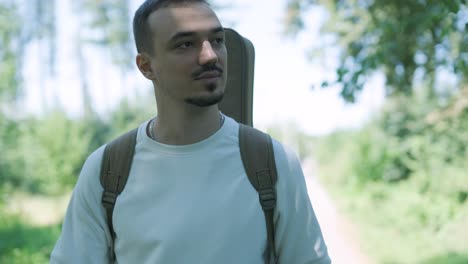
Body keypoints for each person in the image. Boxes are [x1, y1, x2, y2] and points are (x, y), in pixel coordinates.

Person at [50, 0, 331, 263]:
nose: (210, 55)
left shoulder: (272, 162)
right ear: (146, 66)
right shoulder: (107, 171)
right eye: (185, 44)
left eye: (217, 41)